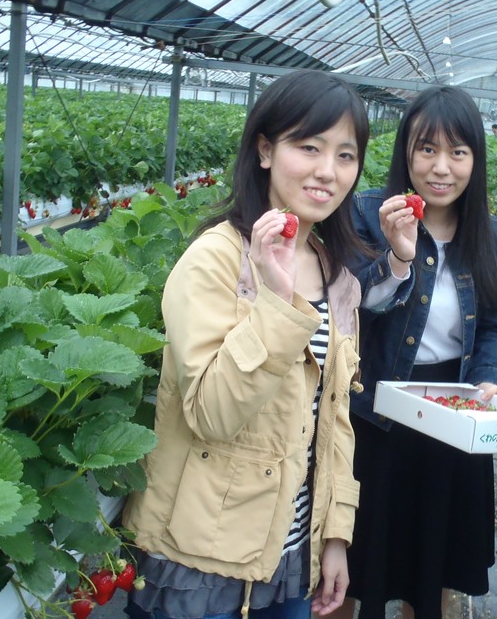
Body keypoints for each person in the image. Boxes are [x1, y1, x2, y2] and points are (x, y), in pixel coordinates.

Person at [122, 70, 371, 619]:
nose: (327, 171)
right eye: (309, 147)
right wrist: (276, 304)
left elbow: (334, 419)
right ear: (264, 150)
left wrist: (335, 535)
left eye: (345, 155)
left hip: (291, 554)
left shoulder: (335, 273)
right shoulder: (214, 259)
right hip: (202, 558)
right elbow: (211, 414)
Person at [335, 86, 497, 619]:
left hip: (451, 418)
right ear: (405, 153)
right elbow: (349, 307)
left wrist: (488, 378)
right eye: (427, 149)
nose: (441, 167)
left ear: (475, 160)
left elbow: (495, 325)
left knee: (430, 566)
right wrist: (396, 257)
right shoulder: (367, 214)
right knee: (351, 564)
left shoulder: (492, 238)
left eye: (458, 152)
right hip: (376, 415)